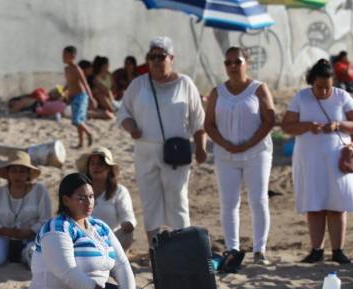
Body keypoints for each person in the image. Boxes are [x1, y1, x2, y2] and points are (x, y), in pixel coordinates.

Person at [22, 173, 156, 289]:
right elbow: (68, 272)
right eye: (81, 198)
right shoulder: (56, 228)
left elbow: (121, 264)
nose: (89, 202)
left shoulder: (100, 227)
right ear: (66, 200)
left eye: (91, 197)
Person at [117, 36, 207, 243]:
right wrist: (131, 127)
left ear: (171, 58)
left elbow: (198, 120)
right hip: (145, 151)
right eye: (152, 56)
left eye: (161, 56)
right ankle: (155, 249)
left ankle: (183, 246)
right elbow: (123, 113)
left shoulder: (185, 84)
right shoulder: (138, 84)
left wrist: (201, 148)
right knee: (150, 201)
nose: (156, 61)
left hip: (176, 152)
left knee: (177, 200)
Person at [281, 59, 353, 264]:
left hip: (338, 160)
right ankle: (316, 250)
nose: (324, 92)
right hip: (309, 159)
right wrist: (308, 126)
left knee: (337, 204)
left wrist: (338, 125)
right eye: (320, 87)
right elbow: (287, 126)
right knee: (314, 205)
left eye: (328, 87)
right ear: (312, 82)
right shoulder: (301, 97)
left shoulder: (342, 96)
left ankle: (338, 250)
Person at [204, 47, 275, 265]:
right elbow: (209, 124)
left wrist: (248, 144)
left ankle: (259, 249)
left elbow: (269, 120)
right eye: (229, 62)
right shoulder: (217, 92)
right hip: (226, 155)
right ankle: (232, 249)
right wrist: (226, 144)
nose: (233, 66)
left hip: (256, 153)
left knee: (258, 199)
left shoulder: (258, 88)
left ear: (247, 63)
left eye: (238, 62)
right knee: (229, 202)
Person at [0, 151, 52, 266]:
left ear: (28, 174)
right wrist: (10, 232)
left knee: (34, 257)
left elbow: (45, 220)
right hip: (5, 238)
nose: (18, 175)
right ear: (8, 173)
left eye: (22, 171)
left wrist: (28, 231)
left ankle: (24, 256)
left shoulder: (40, 191)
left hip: (32, 239)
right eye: (14, 171)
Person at [77, 147, 137, 251]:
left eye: (100, 163)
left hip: (110, 241)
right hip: (84, 240)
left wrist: (127, 223)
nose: (96, 167)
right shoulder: (79, 190)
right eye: (92, 163)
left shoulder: (120, 191)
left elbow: (127, 216)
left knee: (127, 233)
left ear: (109, 168)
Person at [64, 46, 96, 148]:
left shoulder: (77, 69)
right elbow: (68, 83)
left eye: (65, 54)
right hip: (73, 97)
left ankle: (89, 133)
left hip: (81, 97)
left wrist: (91, 98)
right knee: (79, 121)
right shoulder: (66, 69)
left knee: (77, 120)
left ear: (72, 56)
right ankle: (81, 143)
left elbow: (85, 83)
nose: (63, 56)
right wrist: (65, 92)